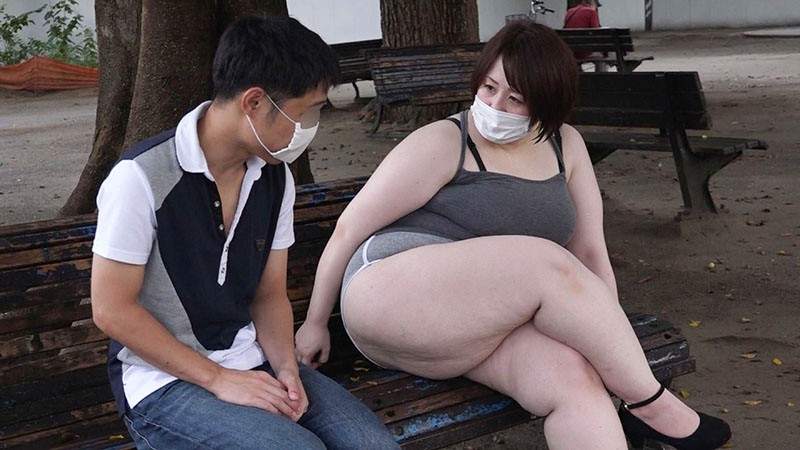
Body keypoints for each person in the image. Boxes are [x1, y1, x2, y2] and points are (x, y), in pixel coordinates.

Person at [296, 21, 731, 450]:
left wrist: (606, 333)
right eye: (489, 87)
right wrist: (315, 323)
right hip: (388, 295)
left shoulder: (566, 145)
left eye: (516, 98)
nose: (495, 104)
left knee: (574, 380)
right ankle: (651, 404)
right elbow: (349, 228)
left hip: (475, 324)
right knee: (545, 261)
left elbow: (589, 251)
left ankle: (632, 412)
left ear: (547, 102)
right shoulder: (444, 141)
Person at [90, 15, 398, 450]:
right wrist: (218, 378)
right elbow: (111, 310)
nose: (310, 126)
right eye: (306, 111)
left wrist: (286, 366)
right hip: (161, 384)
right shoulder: (140, 178)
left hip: (253, 362)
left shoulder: (273, 177)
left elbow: (268, 294)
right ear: (254, 102)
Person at [563, 0, 607, 71]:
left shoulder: (569, 12)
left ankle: (580, 73)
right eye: (596, 7)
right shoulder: (591, 12)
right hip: (584, 53)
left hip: (572, 51)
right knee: (602, 56)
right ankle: (601, 75)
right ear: (592, 4)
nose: (596, 9)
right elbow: (596, 33)